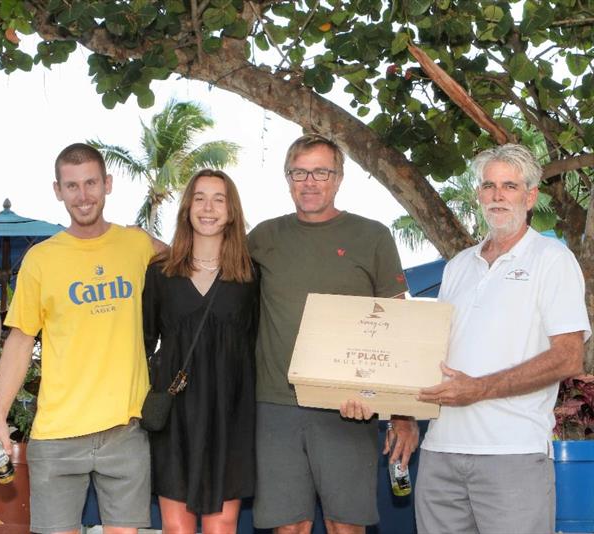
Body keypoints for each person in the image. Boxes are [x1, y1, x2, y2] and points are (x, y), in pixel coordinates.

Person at [0, 143, 164, 534]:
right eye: (73, 185)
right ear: (58, 190)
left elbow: (196, 265)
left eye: (91, 183)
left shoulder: (138, 245)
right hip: (57, 433)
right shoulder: (42, 259)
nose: (83, 195)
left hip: (125, 430)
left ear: (107, 184)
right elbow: (19, 341)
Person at [414, 143, 590, 534]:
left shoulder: (552, 260)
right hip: (439, 452)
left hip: (511, 453)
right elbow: (428, 353)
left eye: (509, 186)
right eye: (489, 186)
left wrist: (479, 389)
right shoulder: (458, 266)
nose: (497, 196)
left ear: (530, 197)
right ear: (478, 194)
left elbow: (568, 358)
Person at [248, 133, 419, 534]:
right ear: (287, 178)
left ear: (339, 178)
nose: (309, 182)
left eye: (321, 172)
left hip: (350, 408)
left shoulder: (372, 236)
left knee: (346, 525)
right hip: (275, 405)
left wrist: (403, 412)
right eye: (299, 173)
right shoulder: (262, 237)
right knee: (288, 527)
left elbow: (399, 326)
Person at [143, 169, 258, 533]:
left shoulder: (252, 275)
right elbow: (143, 344)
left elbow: (256, 345)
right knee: (176, 528)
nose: (208, 208)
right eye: (200, 198)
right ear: (187, 208)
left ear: (232, 211)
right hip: (175, 416)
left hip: (232, 413)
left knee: (222, 526)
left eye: (219, 199)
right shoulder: (160, 273)